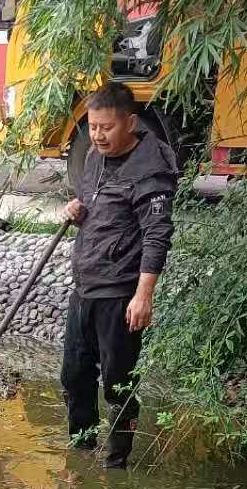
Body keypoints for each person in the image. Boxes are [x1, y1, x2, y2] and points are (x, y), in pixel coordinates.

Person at [61, 80, 177, 468]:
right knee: (74, 374)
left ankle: (116, 463)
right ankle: (81, 447)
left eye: (106, 128)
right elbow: (99, 212)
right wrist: (76, 212)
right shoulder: (95, 156)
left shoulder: (150, 171)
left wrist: (144, 295)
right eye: (92, 127)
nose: (98, 135)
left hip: (120, 293)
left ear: (129, 123)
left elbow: (157, 234)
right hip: (86, 285)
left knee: (118, 382)